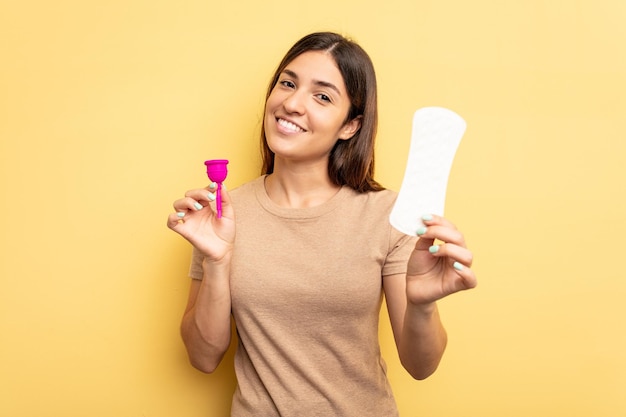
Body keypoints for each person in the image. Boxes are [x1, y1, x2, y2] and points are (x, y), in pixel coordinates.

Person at [167, 31, 477, 417]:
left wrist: (422, 305)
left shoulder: (389, 216)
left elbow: (420, 366)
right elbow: (202, 357)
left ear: (351, 125)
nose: (292, 103)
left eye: (322, 96)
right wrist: (216, 261)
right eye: (288, 83)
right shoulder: (223, 215)